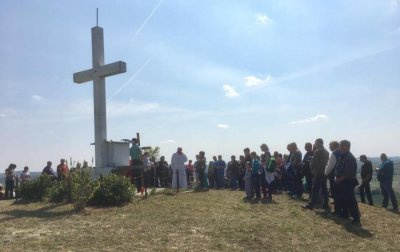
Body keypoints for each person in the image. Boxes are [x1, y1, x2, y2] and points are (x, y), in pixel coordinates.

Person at [334, 140, 360, 225]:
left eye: (341, 146)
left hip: (348, 181)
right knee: (343, 199)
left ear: (346, 146)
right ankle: (345, 214)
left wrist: (340, 179)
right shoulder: (343, 156)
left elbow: (348, 172)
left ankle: (356, 218)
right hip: (342, 181)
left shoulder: (349, 157)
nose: (339, 147)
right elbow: (338, 167)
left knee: (350, 200)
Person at [303, 138, 329, 210]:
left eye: (316, 143)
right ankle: (326, 204)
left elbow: (313, 162)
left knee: (315, 189)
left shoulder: (318, 151)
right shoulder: (326, 152)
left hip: (318, 172)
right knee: (324, 189)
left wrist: (312, 169)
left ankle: (311, 204)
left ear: (320, 143)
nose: (315, 144)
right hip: (324, 172)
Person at [324, 141, 340, 214]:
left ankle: (337, 210)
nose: (329, 147)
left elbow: (330, 166)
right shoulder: (341, 153)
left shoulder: (334, 154)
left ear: (334, 146)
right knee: (339, 192)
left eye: (330, 146)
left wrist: (325, 173)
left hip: (333, 175)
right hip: (339, 176)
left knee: (335, 192)